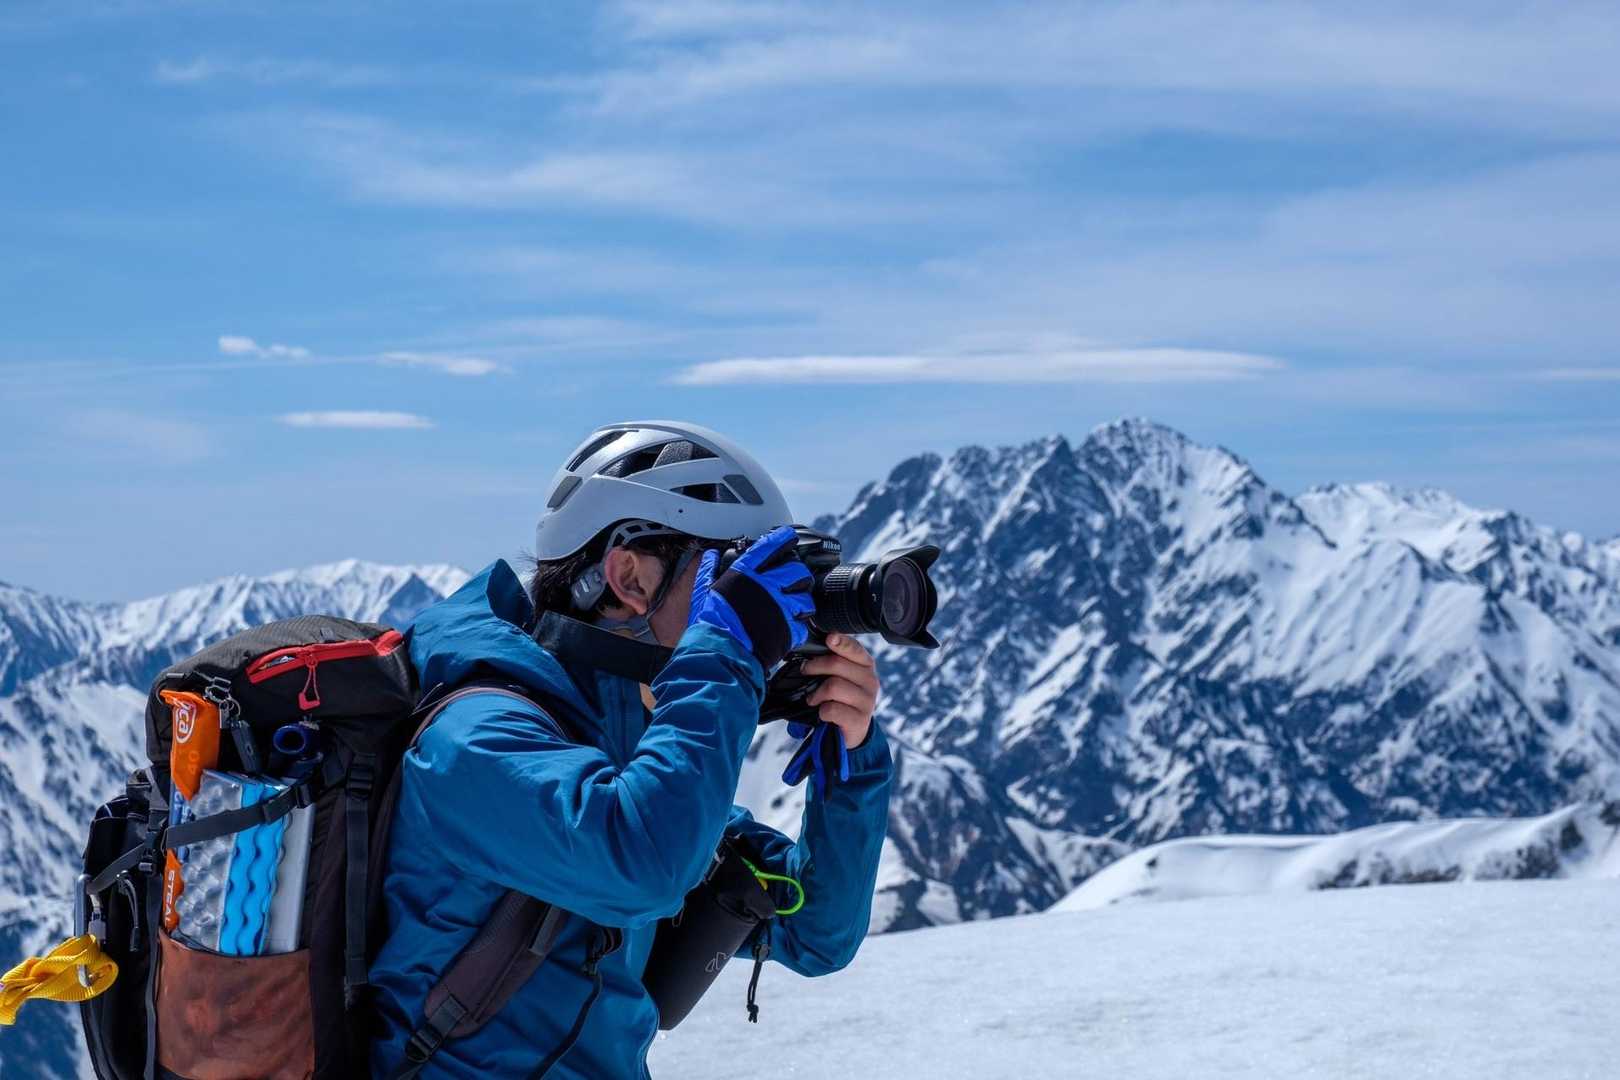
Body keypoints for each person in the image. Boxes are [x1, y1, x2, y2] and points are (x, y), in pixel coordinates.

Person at [369, 421, 894, 1078]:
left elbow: (814, 930)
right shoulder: (474, 741)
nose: (767, 612)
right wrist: (725, 653)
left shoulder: (623, 761)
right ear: (629, 576)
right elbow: (644, 868)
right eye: (731, 574)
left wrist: (851, 765)